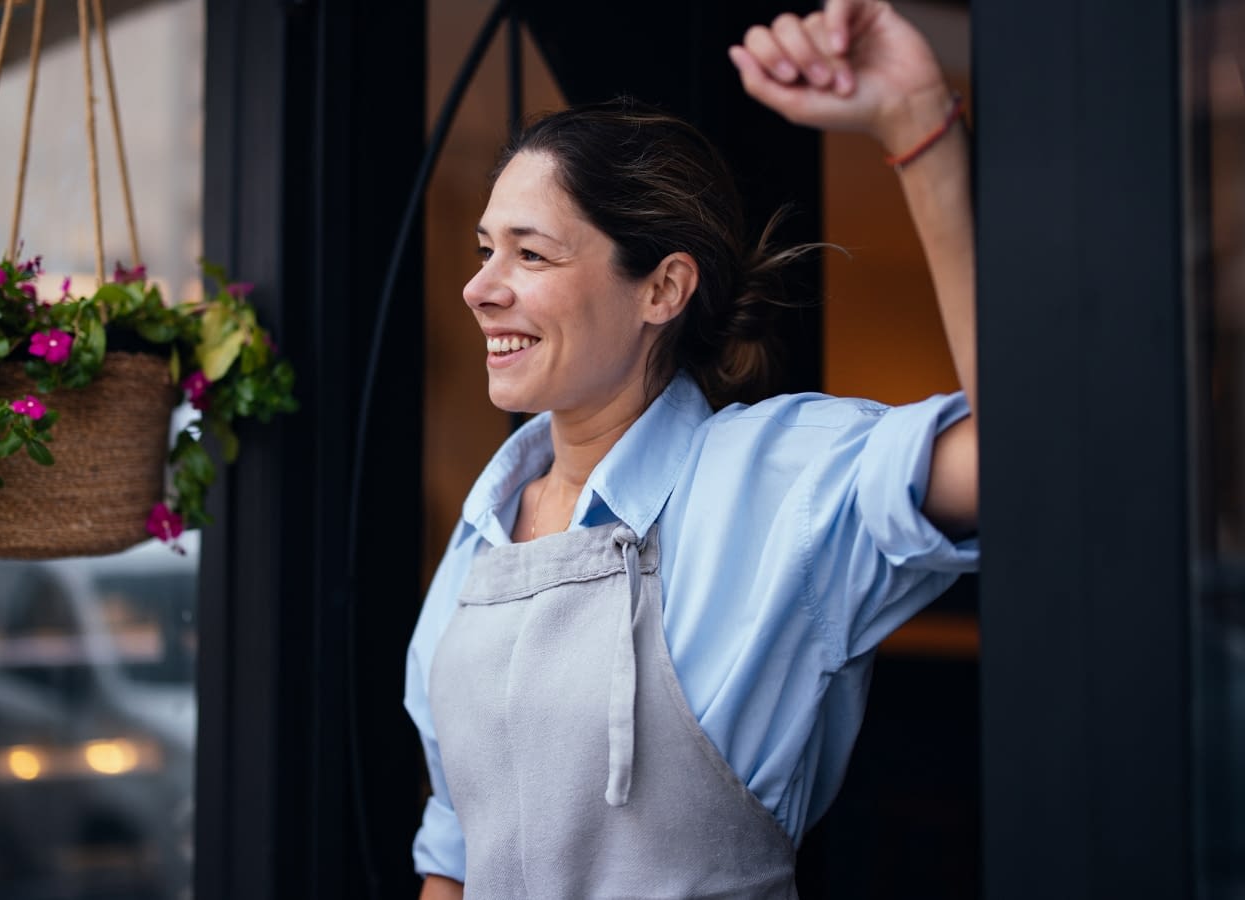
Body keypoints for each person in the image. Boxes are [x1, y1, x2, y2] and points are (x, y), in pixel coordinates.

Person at [406, 2, 978, 896]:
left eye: (531, 255)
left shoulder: (777, 481)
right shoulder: (483, 531)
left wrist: (918, 131)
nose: (480, 287)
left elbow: (1024, 459)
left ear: (663, 289)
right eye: (486, 250)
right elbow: (453, 854)